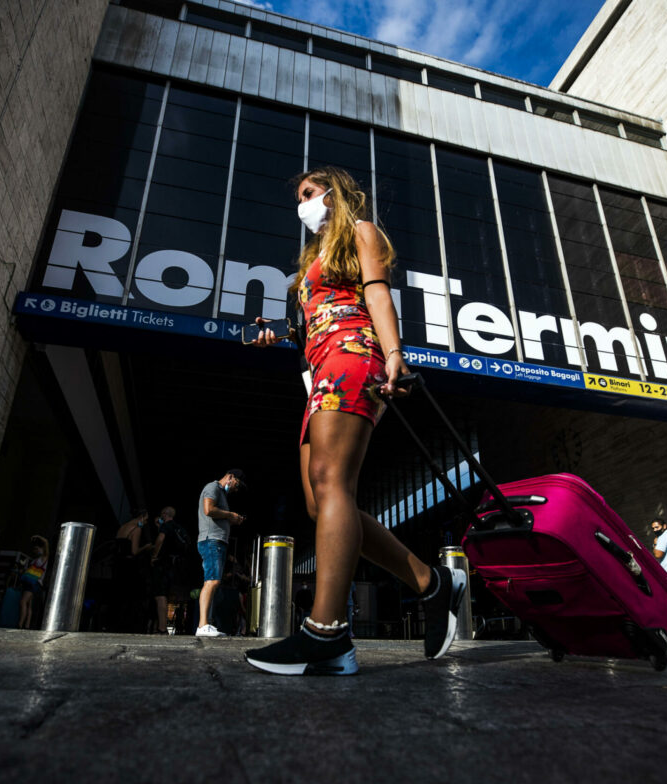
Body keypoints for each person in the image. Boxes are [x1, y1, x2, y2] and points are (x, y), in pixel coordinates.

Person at [244, 166, 467, 675]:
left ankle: (328, 633)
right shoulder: (309, 266)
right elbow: (312, 327)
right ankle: (433, 585)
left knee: (331, 484)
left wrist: (394, 354)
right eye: (298, 196)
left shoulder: (361, 233)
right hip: (319, 367)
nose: (302, 203)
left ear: (333, 193)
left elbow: (376, 294)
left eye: (308, 192)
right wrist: (281, 336)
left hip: (355, 353)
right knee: (319, 501)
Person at [195, 469, 247, 637]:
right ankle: (202, 625)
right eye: (236, 485)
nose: (235, 490)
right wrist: (230, 514)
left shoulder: (222, 495)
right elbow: (208, 509)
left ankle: (206, 624)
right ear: (230, 477)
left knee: (212, 582)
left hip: (217, 541)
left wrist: (232, 520)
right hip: (211, 541)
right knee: (211, 581)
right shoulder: (213, 487)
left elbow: (217, 516)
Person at [115, 510, 152, 632]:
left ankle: (116, 623)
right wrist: (145, 547)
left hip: (118, 564)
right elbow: (134, 551)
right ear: (141, 517)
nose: (145, 523)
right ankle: (128, 625)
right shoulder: (136, 529)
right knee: (131, 596)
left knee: (119, 595)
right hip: (129, 565)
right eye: (146, 520)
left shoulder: (122, 527)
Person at [18, 535, 49, 629]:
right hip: (33, 583)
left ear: (42, 549)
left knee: (23, 602)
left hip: (34, 583)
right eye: (34, 549)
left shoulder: (44, 558)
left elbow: (46, 542)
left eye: (37, 548)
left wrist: (38, 537)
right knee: (29, 605)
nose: (36, 550)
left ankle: (20, 624)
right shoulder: (36, 560)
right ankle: (26, 625)